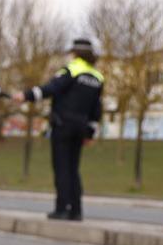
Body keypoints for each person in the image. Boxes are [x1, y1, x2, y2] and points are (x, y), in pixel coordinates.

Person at [12, 38, 104, 220]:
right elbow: (96, 109)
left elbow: (51, 88)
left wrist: (25, 96)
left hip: (63, 125)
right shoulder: (97, 77)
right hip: (81, 128)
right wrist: (90, 133)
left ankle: (62, 209)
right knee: (73, 169)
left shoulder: (72, 70)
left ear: (76, 53)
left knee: (62, 168)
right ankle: (76, 211)